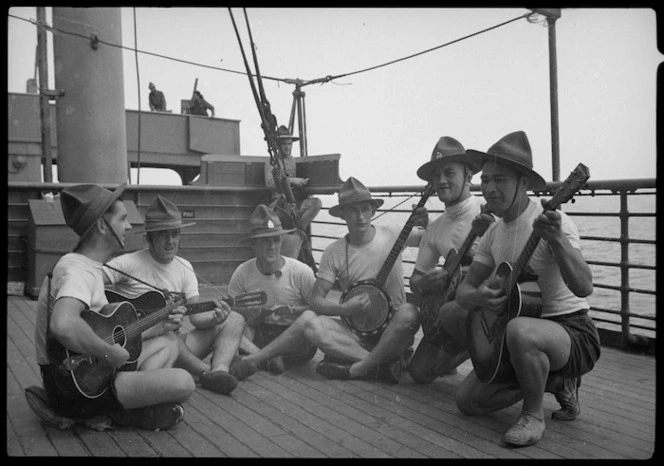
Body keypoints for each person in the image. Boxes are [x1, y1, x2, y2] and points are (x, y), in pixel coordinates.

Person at [454, 130, 601, 447]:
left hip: (570, 331)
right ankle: (555, 383)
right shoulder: (494, 232)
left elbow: (584, 286)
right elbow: (463, 293)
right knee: (467, 402)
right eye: (486, 179)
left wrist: (558, 240)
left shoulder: (551, 220)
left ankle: (534, 415)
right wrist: (478, 296)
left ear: (524, 183)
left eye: (501, 180)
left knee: (521, 330)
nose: (490, 188)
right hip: (518, 332)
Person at [32, 183, 194, 431]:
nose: (128, 226)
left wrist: (161, 326)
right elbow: (63, 325)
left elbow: (110, 333)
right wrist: (109, 354)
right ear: (101, 225)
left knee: (169, 341)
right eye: (123, 219)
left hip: (79, 376)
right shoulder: (79, 272)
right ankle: (115, 412)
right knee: (184, 382)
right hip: (78, 389)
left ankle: (132, 404)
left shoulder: (87, 265)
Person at [103, 195, 255, 396]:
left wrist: (216, 317)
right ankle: (206, 372)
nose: (170, 241)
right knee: (167, 333)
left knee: (235, 319)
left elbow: (197, 318)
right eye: (162, 235)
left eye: (175, 234)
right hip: (143, 348)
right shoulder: (128, 263)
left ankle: (219, 370)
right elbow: (90, 283)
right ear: (149, 237)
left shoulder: (185, 268)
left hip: (178, 347)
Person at [305, 176, 428, 383]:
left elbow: (432, 241)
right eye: (353, 210)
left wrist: (428, 223)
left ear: (373, 210)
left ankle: (357, 365)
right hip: (357, 332)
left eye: (364, 209)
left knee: (409, 313)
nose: (360, 216)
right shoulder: (333, 252)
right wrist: (344, 309)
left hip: (393, 329)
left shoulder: (394, 233)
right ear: (342, 214)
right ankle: (379, 363)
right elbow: (316, 299)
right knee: (312, 326)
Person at [407, 136, 494, 383]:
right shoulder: (435, 229)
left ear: (468, 175)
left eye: (449, 173)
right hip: (450, 312)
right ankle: (464, 349)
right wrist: (426, 284)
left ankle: (485, 352)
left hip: (487, 310)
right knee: (419, 373)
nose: (441, 181)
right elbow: (415, 280)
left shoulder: (487, 212)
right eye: (436, 175)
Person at [228, 204, 319, 374]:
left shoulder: (301, 271)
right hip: (260, 333)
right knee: (231, 323)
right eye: (265, 241)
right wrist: (250, 312)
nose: (272, 246)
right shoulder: (242, 272)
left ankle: (256, 358)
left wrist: (292, 310)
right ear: (253, 245)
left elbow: (317, 308)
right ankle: (267, 357)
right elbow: (232, 308)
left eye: (276, 240)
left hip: (293, 338)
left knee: (309, 319)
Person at [264, 125, 322, 258]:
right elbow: (269, 184)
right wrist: (293, 180)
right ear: (278, 145)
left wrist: (301, 185)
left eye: (289, 144)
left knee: (316, 203)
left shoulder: (292, 160)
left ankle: (297, 234)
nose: (287, 147)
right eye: (284, 144)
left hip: (293, 201)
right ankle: (295, 237)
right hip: (278, 204)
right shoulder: (271, 161)